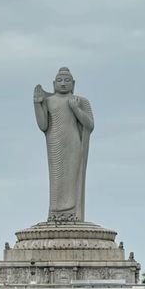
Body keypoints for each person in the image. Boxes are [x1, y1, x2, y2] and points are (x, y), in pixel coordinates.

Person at [34, 68, 94, 222]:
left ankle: (73, 212)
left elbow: (89, 125)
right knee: (57, 179)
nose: (63, 84)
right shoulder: (49, 101)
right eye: (59, 81)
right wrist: (37, 104)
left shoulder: (80, 101)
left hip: (73, 142)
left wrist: (75, 109)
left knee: (72, 176)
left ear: (73, 84)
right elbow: (43, 125)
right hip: (55, 141)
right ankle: (56, 212)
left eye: (67, 81)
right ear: (54, 83)